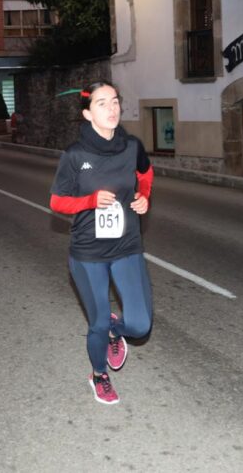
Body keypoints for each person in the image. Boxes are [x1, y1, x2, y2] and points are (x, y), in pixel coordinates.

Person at [49, 81, 154, 405]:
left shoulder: (132, 146)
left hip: (126, 246)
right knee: (96, 321)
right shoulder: (75, 155)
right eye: (101, 103)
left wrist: (143, 196)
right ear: (87, 113)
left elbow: (146, 174)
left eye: (115, 101)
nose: (111, 109)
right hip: (89, 252)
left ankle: (115, 331)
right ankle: (99, 375)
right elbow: (57, 201)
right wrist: (90, 201)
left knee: (140, 325)